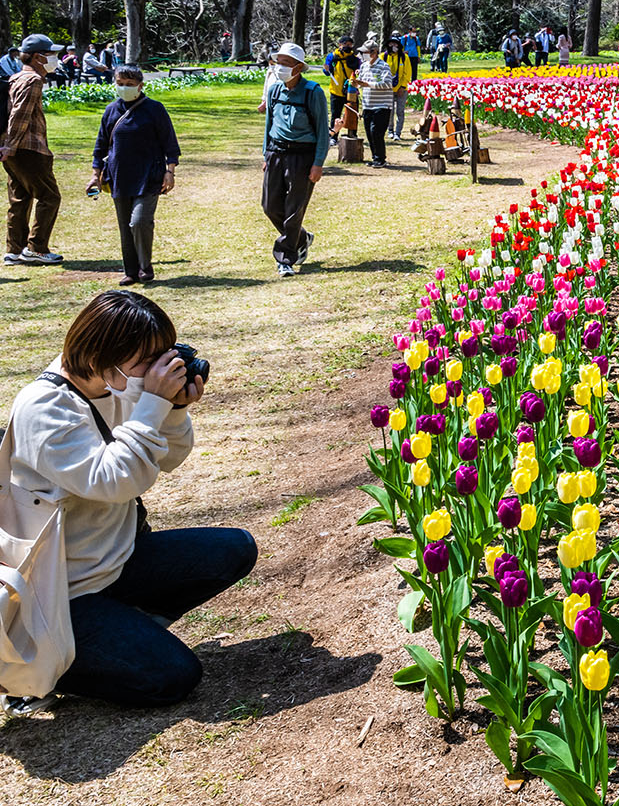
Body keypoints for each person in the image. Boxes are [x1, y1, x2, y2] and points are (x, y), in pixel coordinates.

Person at [1, 289, 255, 707]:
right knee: (174, 677)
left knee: (235, 548)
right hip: (62, 595)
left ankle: (125, 628)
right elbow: (115, 480)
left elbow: (170, 457)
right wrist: (152, 400)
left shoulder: (116, 381)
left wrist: (171, 409)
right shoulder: (45, 408)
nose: (157, 369)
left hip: (117, 561)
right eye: (147, 360)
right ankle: (40, 673)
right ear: (105, 353)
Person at [89, 67, 179, 285]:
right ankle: (131, 271)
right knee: (124, 226)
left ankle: (145, 266)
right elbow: (100, 146)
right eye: (120, 83)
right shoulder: (111, 110)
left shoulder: (154, 109)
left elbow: (170, 144)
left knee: (139, 222)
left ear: (141, 85)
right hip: (119, 176)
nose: (125, 88)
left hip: (149, 175)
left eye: (130, 84)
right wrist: (95, 175)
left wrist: (170, 171)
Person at [262, 42, 329, 277]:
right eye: (278, 62)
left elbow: (323, 131)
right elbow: (269, 124)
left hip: (303, 155)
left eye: (286, 63)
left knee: (294, 208)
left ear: (299, 68)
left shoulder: (313, 92)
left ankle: (285, 258)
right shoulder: (274, 90)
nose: (280, 67)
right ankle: (301, 237)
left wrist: (318, 163)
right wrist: (265, 155)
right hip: (276, 152)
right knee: (270, 206)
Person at [3, 35, 63, 266]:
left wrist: (7, 147)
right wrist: (11, 145)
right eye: (51, 54)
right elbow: (20, 115)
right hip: (28, 148)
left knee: (20, 198)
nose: (54, 59)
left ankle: (14, 250)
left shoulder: (15, 78)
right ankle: (36, 248)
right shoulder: (32, 80)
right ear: (39, 57)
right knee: (50, 197)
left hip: (12, 150)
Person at [356, 43, 399, 168]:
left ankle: (381, 158)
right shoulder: (363, 66)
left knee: (376, 132)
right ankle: (375, 157)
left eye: (365, 53)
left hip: (382, 105)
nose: (362, 55)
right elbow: (361, 82)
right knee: (369, 133)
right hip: (367, 105)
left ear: (373, 52)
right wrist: (356, 83)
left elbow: (387, 84)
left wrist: (367, 84)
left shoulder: (383, 66)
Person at [324, 36, 358, 142]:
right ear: (340, 45)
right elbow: (326, 72)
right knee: (335, 114)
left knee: (353, 113)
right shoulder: (332, 56)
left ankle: (352, 134)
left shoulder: (355, 58)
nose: (348, 46)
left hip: (351, 91)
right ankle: (333, 136)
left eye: (350, 44)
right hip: (336, 90)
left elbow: (359, 70)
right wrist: (326, 69)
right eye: (345, 44)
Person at [388, 36, 415, 140]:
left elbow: (407, 73)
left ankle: (397, 133)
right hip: (388, 89)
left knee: (400, 111)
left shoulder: (404, 57)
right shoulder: (383, 56)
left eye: (396, 44)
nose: (393, 46)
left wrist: (402, 87)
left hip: (401, 90)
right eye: (391, 44)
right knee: (389, 111)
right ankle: (390, 130)